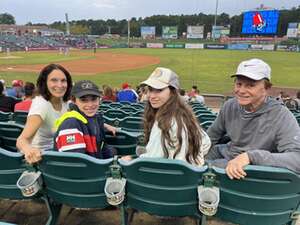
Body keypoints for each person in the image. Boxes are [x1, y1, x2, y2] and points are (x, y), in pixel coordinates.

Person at [206, 58, 300, 179]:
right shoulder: (230, 105)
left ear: (266, 89)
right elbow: (211, 137)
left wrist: (251, 157)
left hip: (254, 172)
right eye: (239, 84)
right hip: (226, 156)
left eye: (250, 85)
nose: (241, 91)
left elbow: (297, 158)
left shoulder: (281, 115)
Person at [125, 67, 211, 166]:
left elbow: (151, 161)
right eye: (150, 89)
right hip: (188, 174)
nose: (151, 96)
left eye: (159, 90)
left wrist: (131, 160)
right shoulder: (183, 114)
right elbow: (206, 142)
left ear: (172, 91)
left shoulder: (166, 122)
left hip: (171, 177)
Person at [16, 64, 73, 164]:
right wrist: (28, 150)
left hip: (59, 152)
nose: (60, 85)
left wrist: (108, 127)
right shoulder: (41, 105)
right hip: (41, 159)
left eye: (63, 81)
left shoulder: (65, 102)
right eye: (54, 80)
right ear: (44, 83)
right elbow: (21, 140)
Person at [54, 80, 117, 159]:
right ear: (74, 100)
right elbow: (76, 165)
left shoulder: (95, 118)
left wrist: (118, 160)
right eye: (83, 100)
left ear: (99, 99)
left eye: (94, 99)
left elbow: (101, 149)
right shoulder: (70, 124)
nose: (90, 105)